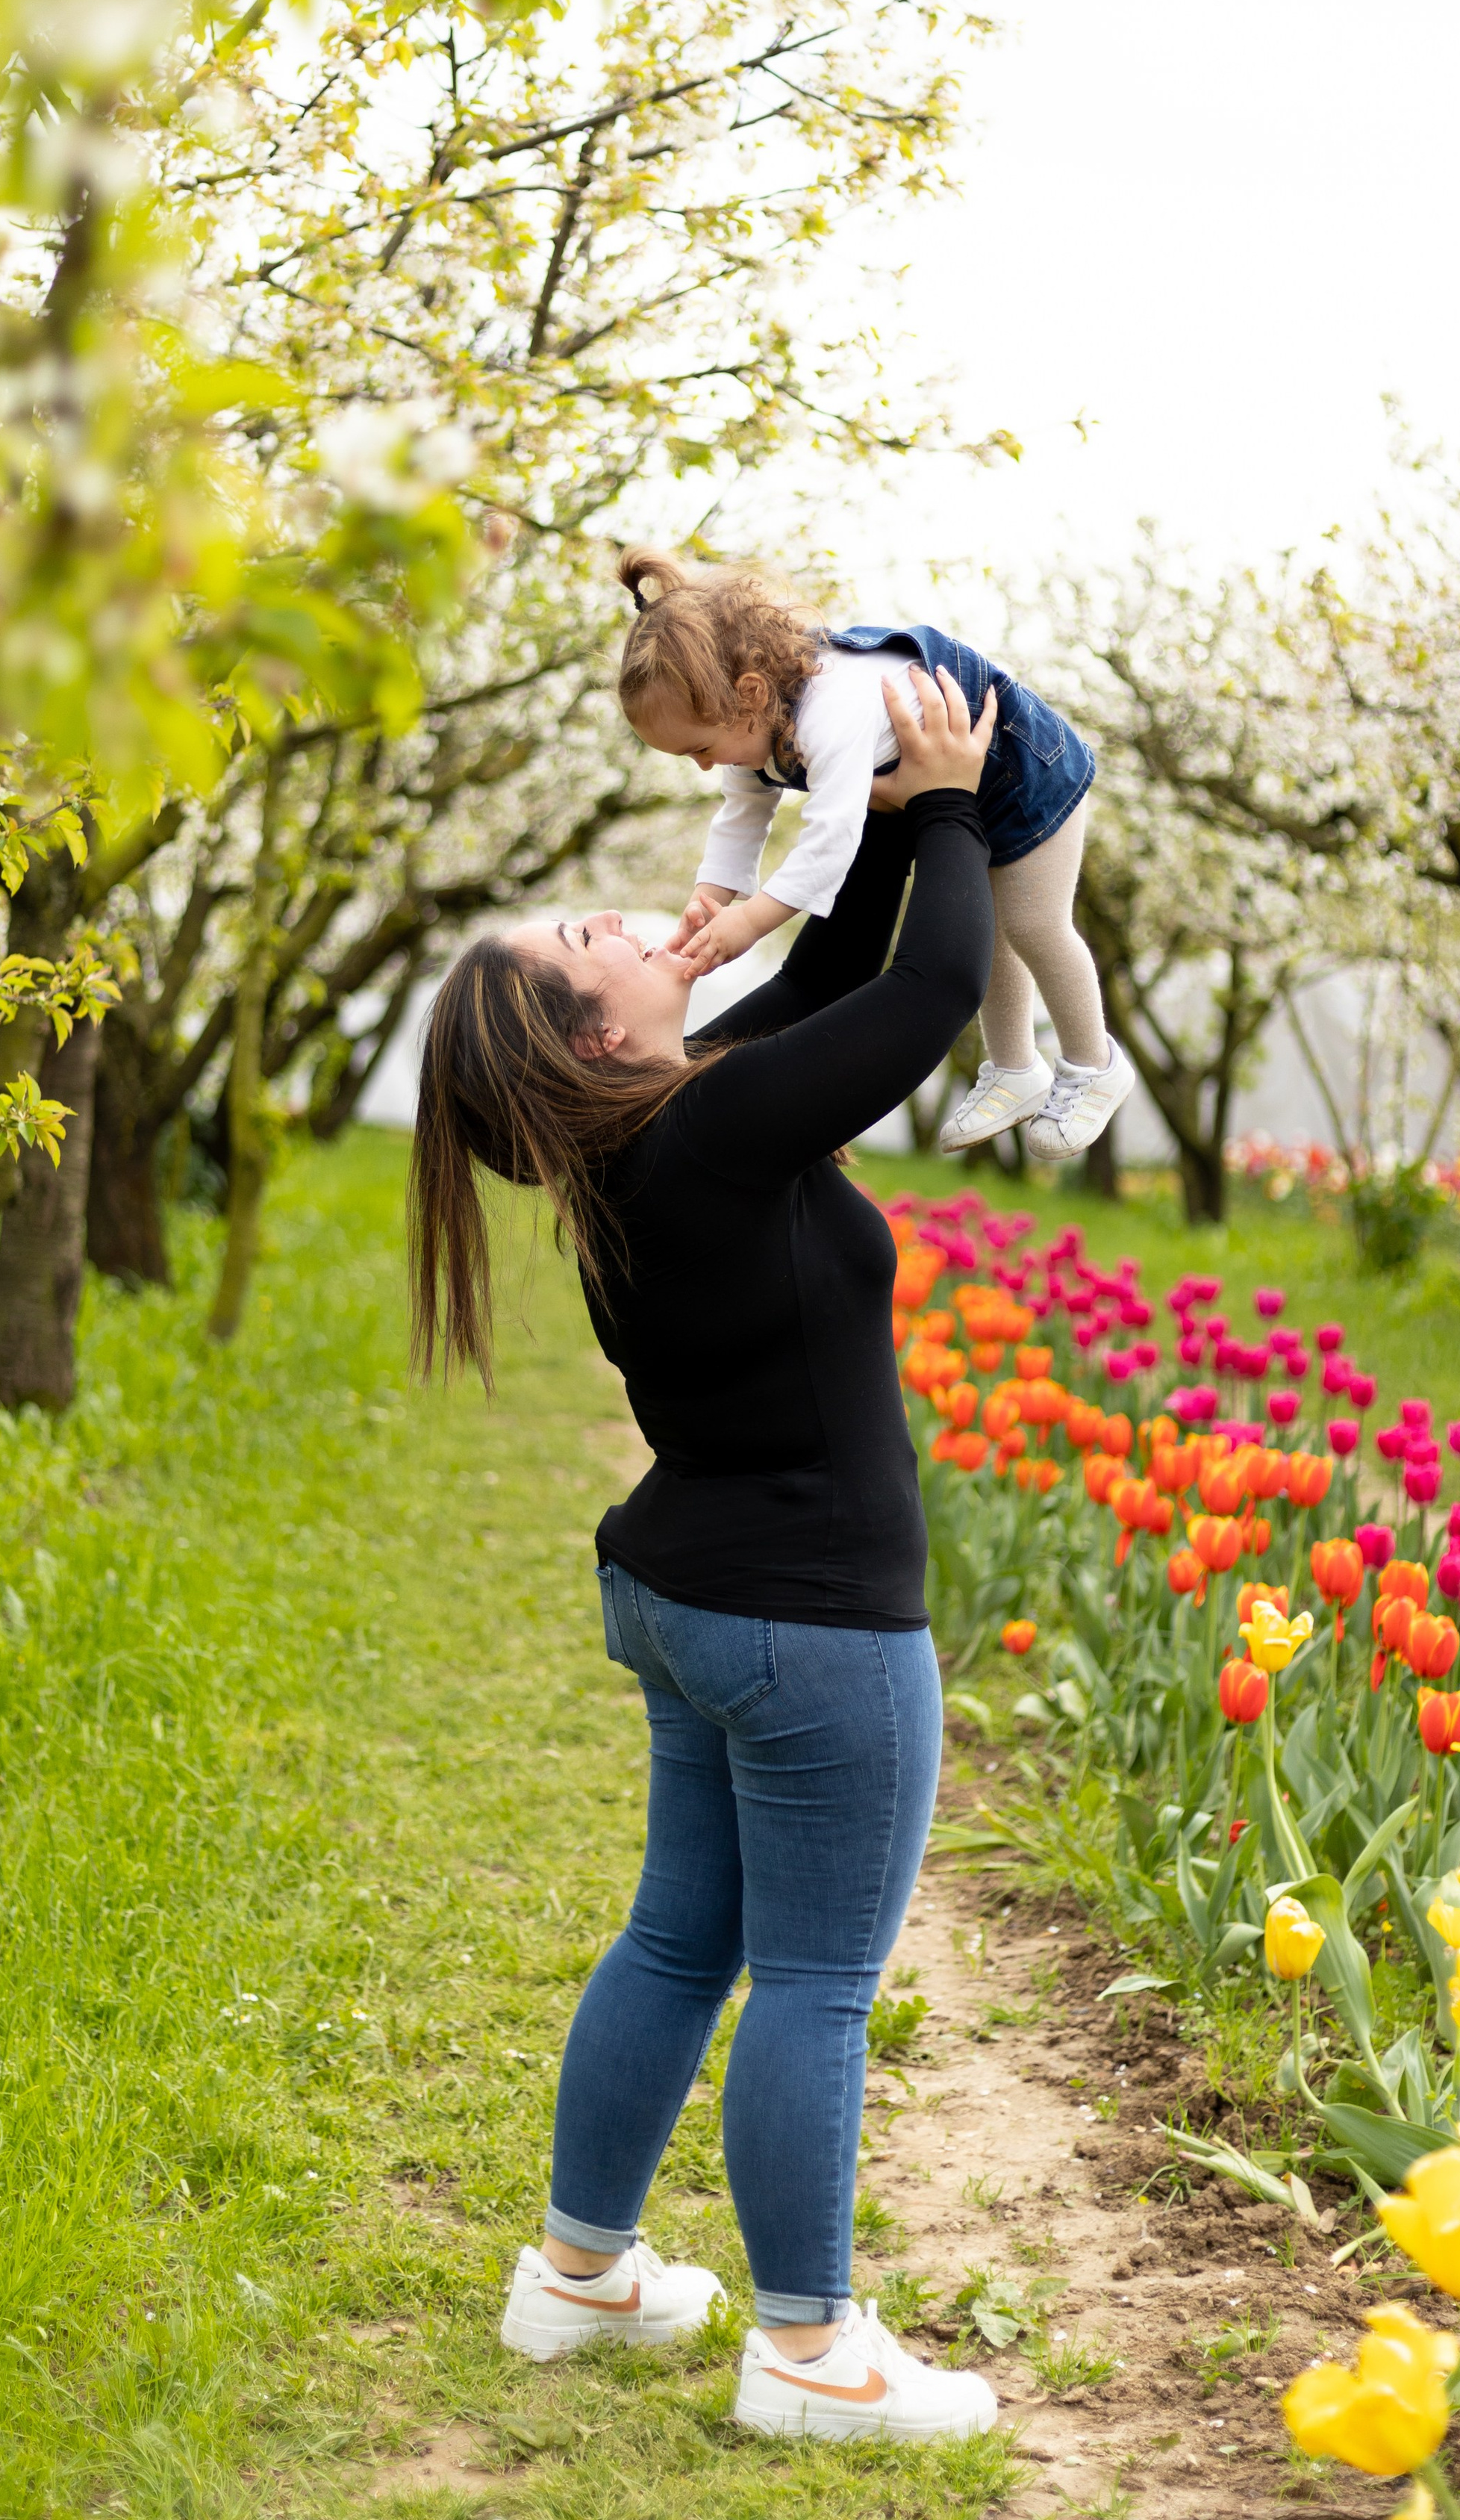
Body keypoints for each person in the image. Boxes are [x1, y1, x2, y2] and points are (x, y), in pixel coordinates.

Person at [408, 666, 1002, 2444]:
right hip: (807, 1619)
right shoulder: (708, 1128)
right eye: (583, 938)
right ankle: (809, 2351)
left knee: (682, 1936)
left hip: (690, 1595)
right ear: (597, 1038)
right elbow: (934, 990)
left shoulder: (651, 1144)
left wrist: (860, 822)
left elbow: (825, 981)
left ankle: (579, 2276)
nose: (617, 914)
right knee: (815, 1979)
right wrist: (960, 805)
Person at [612, 544, 1134, 1163]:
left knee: (1032, 925)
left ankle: (1092, 1064)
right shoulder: (754, 721)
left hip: (1024, 769)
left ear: (748, 693)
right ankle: (1015, 1067)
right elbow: (742, 813)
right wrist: (714, 893)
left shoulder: (834, 711)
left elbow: (832, 840)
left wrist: (751, 921)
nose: (703, 766)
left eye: (699, 748)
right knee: (993, 932)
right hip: (953, 784)